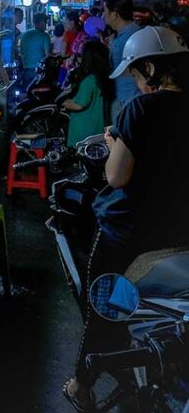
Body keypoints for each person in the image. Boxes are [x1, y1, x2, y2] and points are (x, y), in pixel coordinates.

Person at [65, 26, 189, 410]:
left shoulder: (141, 109)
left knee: (101, 304)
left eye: (136, 74)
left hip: (131, 230)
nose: (135, 82)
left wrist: (114, 142)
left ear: (151, 67)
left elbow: (116, 176)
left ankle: (80, 384)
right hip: (180, 227)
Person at [62, 41, 112, 147]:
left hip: (85, 133)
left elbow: (79, 105)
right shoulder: (102, 78)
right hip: (97, 130)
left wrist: (66, 103)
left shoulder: (89, 80)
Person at [103, 0, 141, 119]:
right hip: (122, 97)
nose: (103, 15)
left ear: (114, 15)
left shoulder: (133, 37)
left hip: (130, 101)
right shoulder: (119, 37)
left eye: (105, 11)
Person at [19, 13, 51, 86]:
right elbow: (47, 55)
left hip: (26, 69)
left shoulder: (24, 35)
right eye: (45, 23)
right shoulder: (45, 36)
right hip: (39, 70)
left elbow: (21, 51)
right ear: (42, 23)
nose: (46, 25)